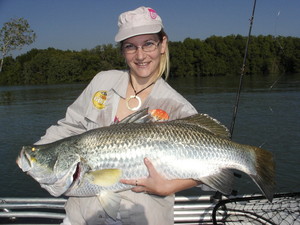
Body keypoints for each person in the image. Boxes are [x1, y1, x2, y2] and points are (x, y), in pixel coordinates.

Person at [35, 6, 202, 225]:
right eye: (130, 47)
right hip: (84, 215)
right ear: (123, 51)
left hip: (145, 217)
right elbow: (69, 126)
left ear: (163, 45)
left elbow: (210, 166)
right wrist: (39, 155)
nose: (140, 55)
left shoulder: (179, 107)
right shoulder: (101, 82)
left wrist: (169, 186)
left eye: (148, 44)